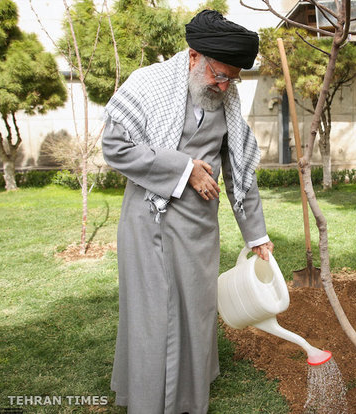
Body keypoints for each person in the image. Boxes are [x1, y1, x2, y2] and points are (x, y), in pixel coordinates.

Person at [102, 10, 273, 414]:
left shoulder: (225, 98)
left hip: (198, 228)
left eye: (232, 77)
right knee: (152, 318)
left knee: (195, 314)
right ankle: (146, 400)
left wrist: (257, 236)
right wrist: (184, 168)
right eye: (219, 73)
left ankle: (188, 399)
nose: (223, 84)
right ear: (194, 56)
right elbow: (115, 147)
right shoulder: (148, 84)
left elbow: (239, 171)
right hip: (147, 221)